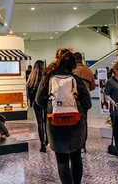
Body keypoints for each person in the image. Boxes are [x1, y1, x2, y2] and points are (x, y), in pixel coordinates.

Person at [44, 50, 92, 184]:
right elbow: (87, 103)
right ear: (73, 64)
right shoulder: (76, 80)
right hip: (76, 123)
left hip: (55, 123)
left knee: (62, 160)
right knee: (76, 157)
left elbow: (38, 101)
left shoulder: (48, 79)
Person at [26, 61, 47, 152]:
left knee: (40, 122)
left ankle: (42, 143)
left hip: (36, 103)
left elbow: (29, 92)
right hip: (46, 102)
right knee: (46, 121)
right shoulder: (46, 77)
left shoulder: (31, 77)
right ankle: (48, 140)